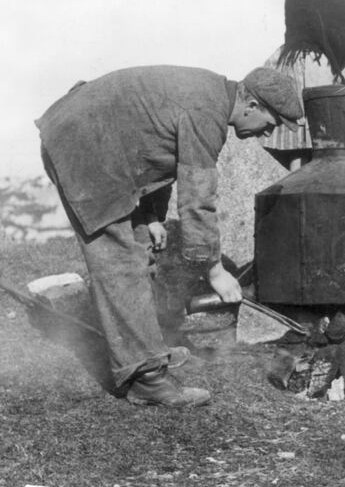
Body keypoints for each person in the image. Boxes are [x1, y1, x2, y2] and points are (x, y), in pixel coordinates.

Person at [36, 65, 302, 408]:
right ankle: (146, 380)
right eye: (272, 121)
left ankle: (147, 349)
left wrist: (150, 216)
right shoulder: (205, 113)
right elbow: (197, 199)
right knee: (121, 259)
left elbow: (153, 149)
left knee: (141, 240)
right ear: (251, 105)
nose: (268, 132)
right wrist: (214, 270)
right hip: (82, 145)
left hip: (94, 138)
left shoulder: (211, 96)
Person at [262, 0, 345, 170]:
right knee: (317, 125)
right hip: (311, 65)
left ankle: (297, 183)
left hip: (291, 64)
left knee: (298, 134)